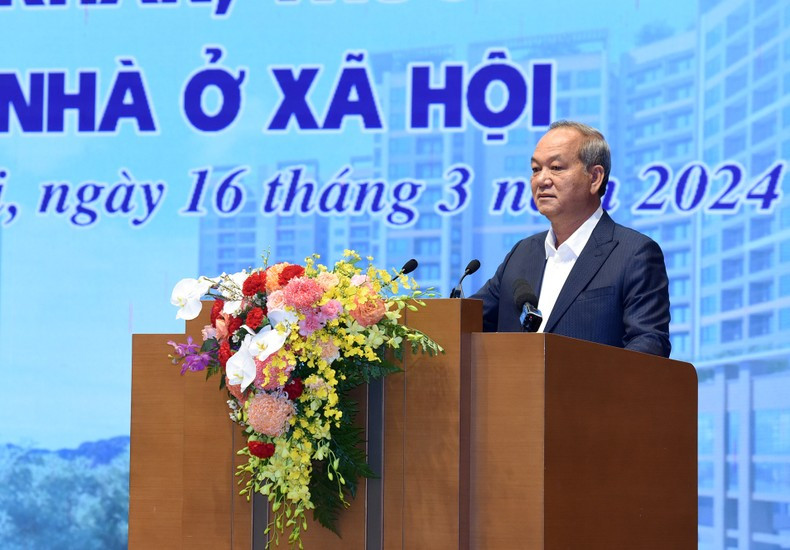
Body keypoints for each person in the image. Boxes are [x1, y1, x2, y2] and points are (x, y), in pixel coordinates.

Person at [471, 120, 671, 357]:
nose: (542, 180)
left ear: (595, 177)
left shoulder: (634, 254)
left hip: (590, 393)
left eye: (556, 168)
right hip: (514, 392)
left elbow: (649, 345)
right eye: (536, 169)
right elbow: (468, 322)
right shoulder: (522, 254)